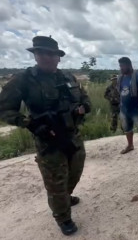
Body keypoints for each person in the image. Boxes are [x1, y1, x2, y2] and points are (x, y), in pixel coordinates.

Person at [0, 36, 91, 235]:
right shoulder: (24, 80)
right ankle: (63, 217)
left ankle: (65, 198)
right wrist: (30, 124)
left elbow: (84, 97)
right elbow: (5, 109)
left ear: (58, 58)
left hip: (72, 135)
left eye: (52, 54)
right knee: (56, 179)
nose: (47, 57)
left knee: (75, 171)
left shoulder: (68, 77)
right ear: (35, 56)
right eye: (42, 53)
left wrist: (84, 106)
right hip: (48, 139)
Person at [118, 57, 138, 158]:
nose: (121, 68)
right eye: (120, 66)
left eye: (122, 66)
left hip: (136, 109)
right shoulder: (121, 77)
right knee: (127, 128)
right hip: (124, 109)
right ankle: (130, 145)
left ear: (129, 65)